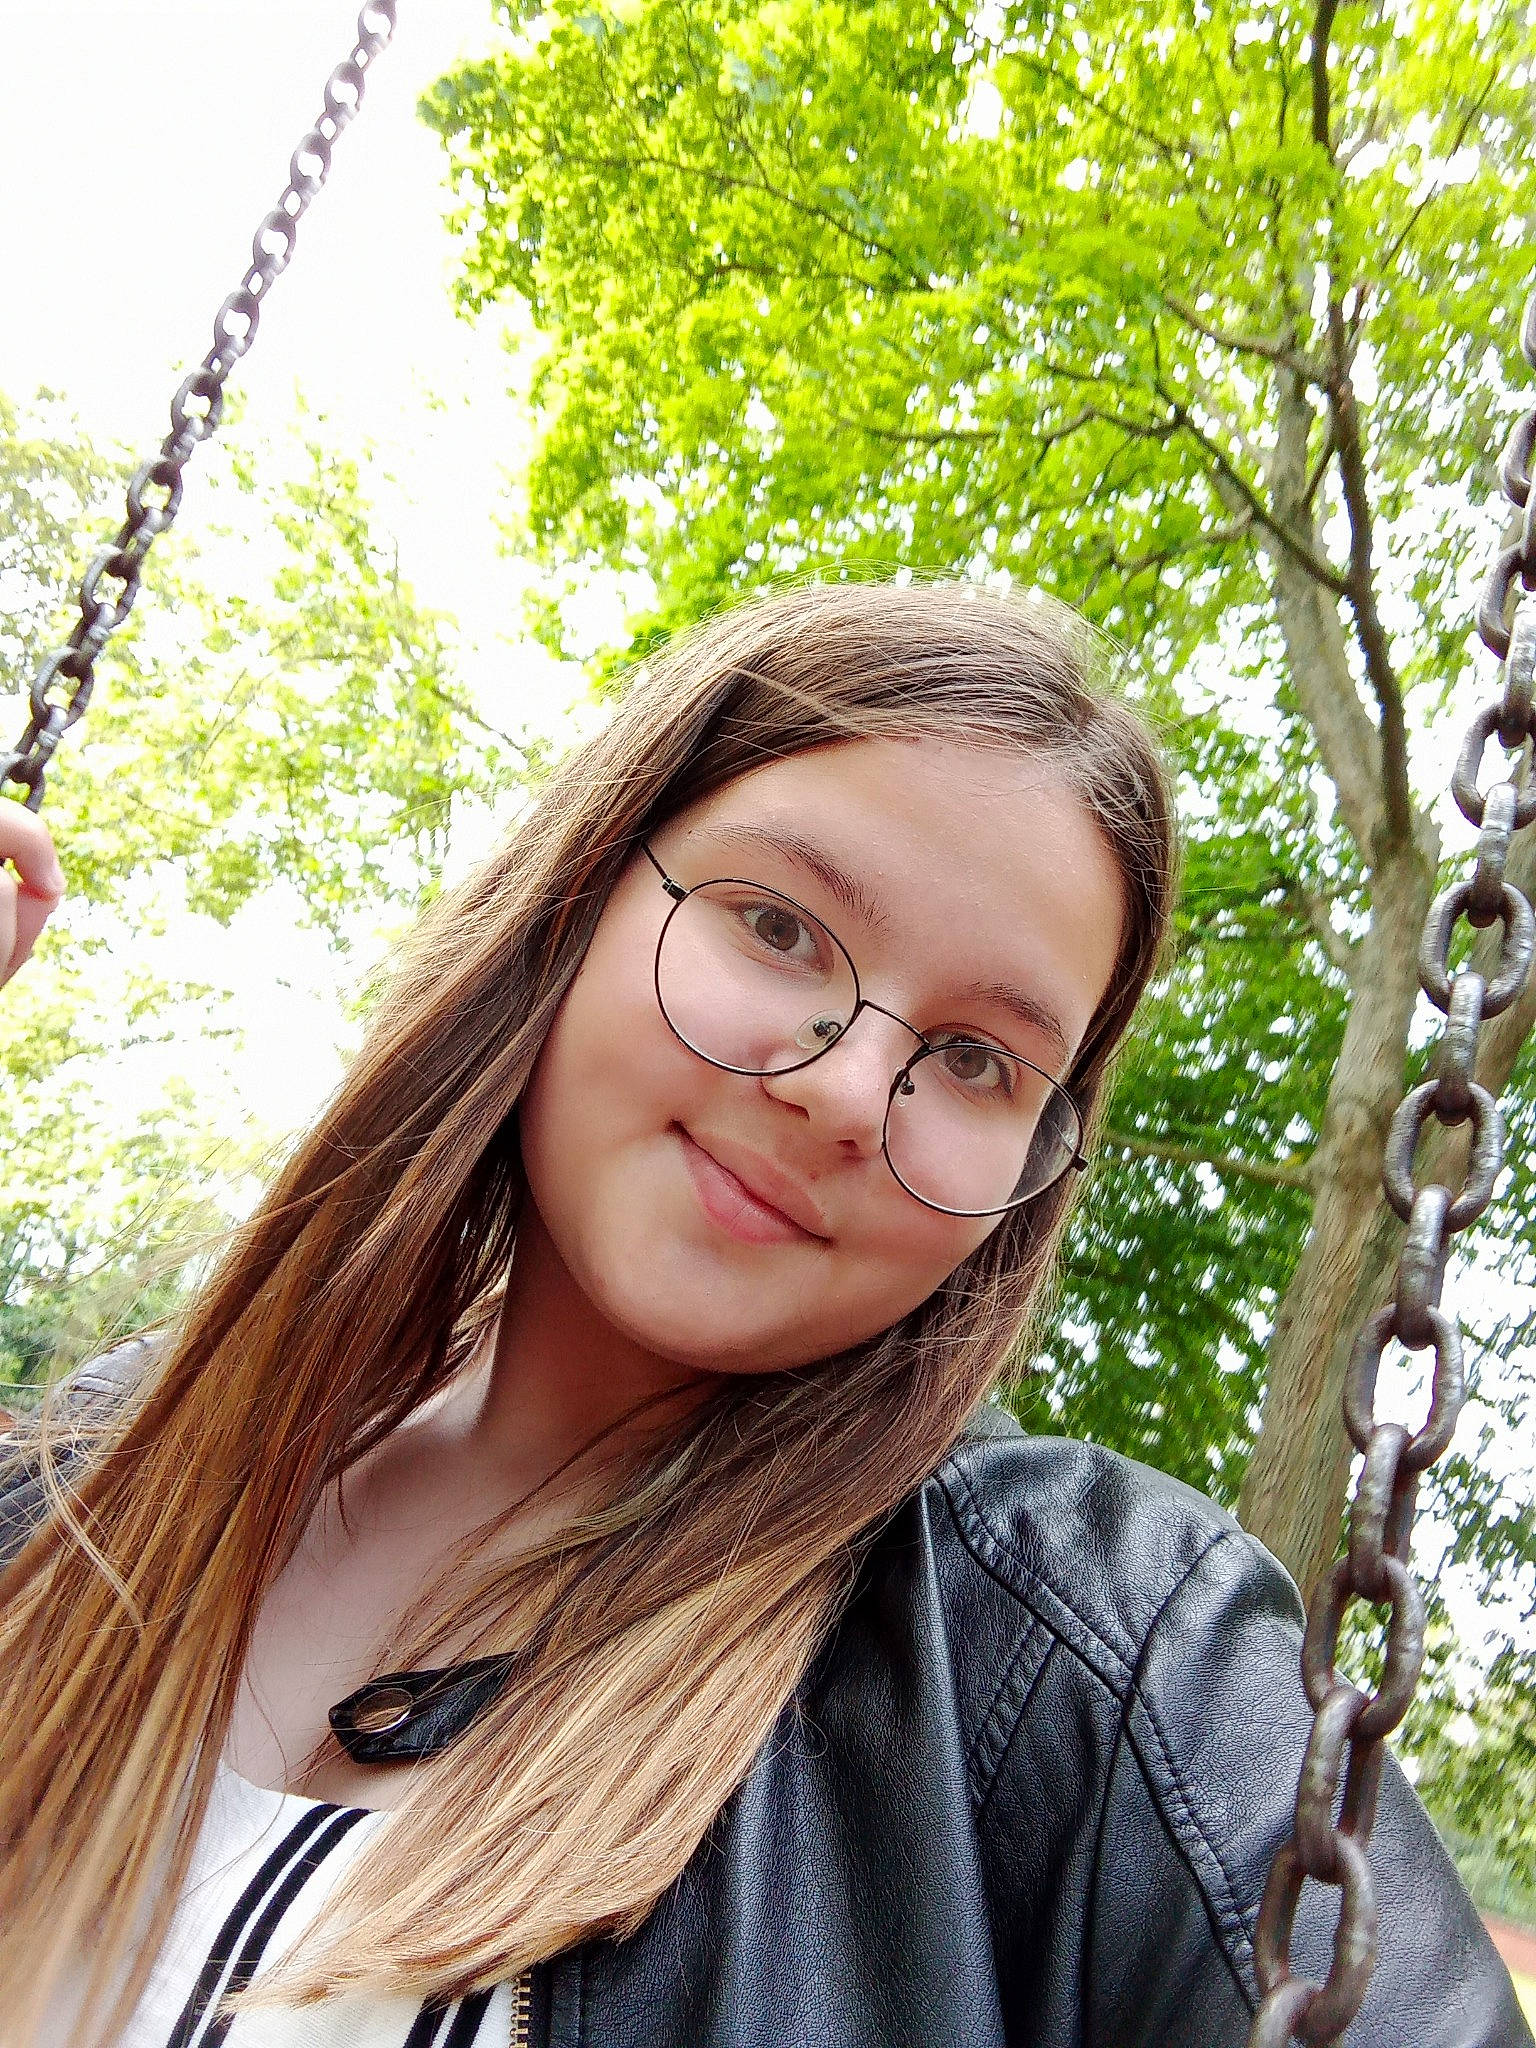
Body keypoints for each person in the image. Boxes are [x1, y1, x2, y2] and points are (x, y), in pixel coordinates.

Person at [0, 579, 1525, 2048]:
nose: (846, 1090)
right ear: (581, 895)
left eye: (982, 1059)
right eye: (780, 927)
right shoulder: (83, 1475)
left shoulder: (1092, 1661)